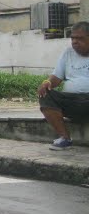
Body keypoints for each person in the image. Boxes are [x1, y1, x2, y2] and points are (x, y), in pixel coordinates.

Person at [37, 21, 89, 150]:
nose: (75, 42)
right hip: (72, 102)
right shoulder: (68, 53)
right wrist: (47, 82)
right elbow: (56, 77)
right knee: (45, 95)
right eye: (73, 38)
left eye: (80, 38)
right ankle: (65, 138)